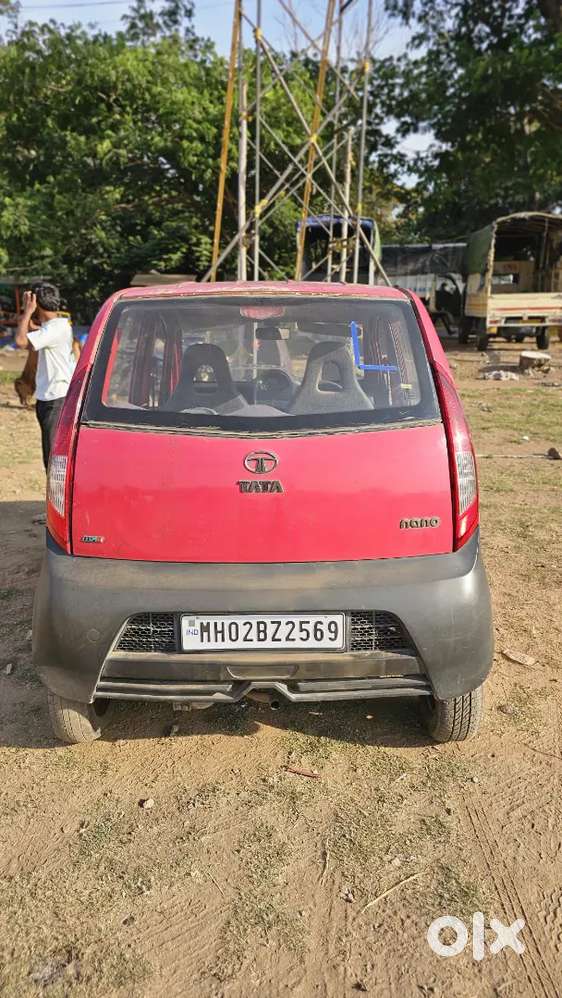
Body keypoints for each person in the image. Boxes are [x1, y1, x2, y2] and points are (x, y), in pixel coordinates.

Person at [15, 283, 75, 471]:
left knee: (52, 457)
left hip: (54, 398)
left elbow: (20, 341)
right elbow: (35, 330)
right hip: (51, 396)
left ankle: (56, 499)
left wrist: (27, 312)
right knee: (51, 453)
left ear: (36, 304)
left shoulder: (54, 329)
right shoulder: (57, 325)